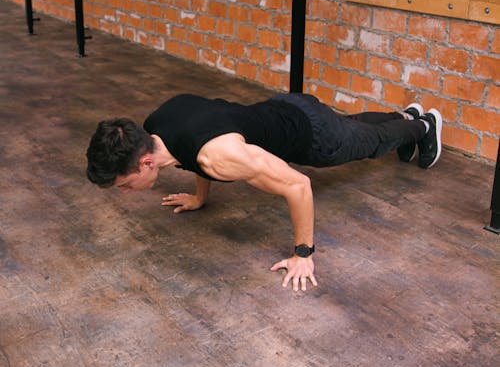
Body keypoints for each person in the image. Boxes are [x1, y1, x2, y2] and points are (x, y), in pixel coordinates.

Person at [86, 93, 442, 292]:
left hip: (311, 137)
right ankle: (404, 116)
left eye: (126, 184)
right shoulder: (156, 126)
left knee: (367, 143)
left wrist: (303, 253)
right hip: (285, 107)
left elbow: (298, 184)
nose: (127, 192)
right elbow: (192, 147)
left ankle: (423, 126)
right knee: (352, 126)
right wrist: (201, 197)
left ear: (145, 162)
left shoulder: (219, 157)